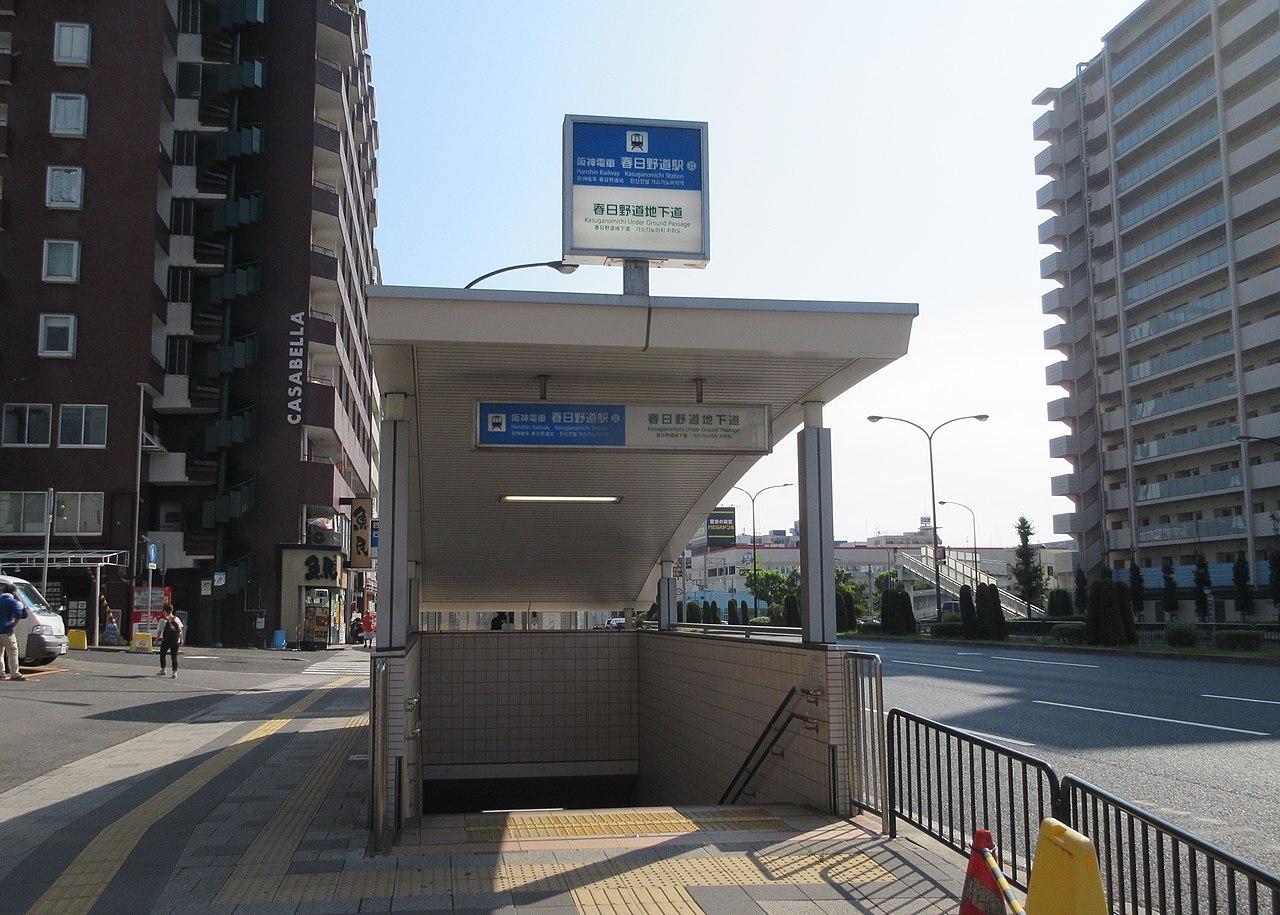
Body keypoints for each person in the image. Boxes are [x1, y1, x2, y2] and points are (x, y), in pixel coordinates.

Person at [0, 582, 28, 681]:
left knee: (0, 653)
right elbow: (21, 614)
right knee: (12, 651)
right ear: (14, 592)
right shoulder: (13, 602)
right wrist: (14, 624)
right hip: (7, 630)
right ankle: (15, 673)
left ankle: (1, 673)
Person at [155, 603, 184, 679]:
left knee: (162, 654)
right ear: (172, 610)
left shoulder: (162, 620)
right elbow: (180, 630)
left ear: (164, 611)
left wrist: (157, 639)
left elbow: (159, 631)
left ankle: (163, 669)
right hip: (175, 640)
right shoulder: (177, 619)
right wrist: (181, 639)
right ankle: (174, 672)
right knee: (174, 657)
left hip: (166, 640)